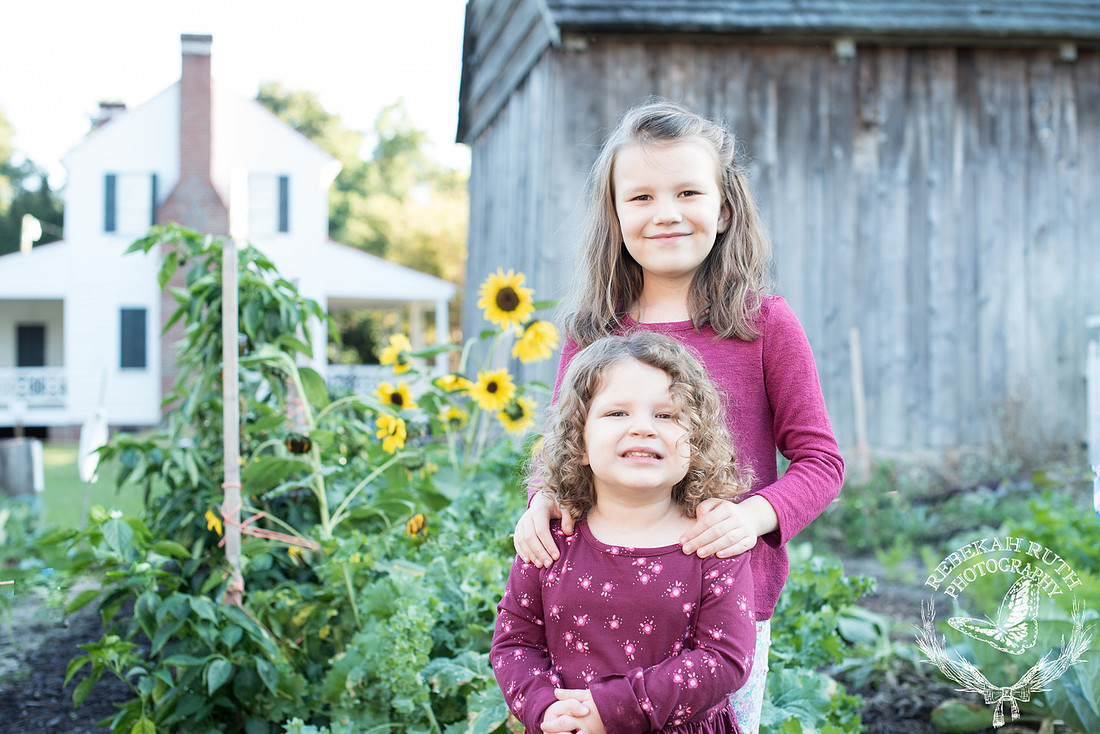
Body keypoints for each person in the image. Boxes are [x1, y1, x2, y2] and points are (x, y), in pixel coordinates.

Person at [512, 99, 845, 733]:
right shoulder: (593, 333)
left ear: (725, 209)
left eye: (688, 192)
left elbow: (820, 462)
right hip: (595, 607)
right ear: (615, 216)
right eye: (640, 197)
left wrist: (750, 517)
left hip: (722, 612)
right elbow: (563, 451)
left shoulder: (764, 326)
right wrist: (542, 503)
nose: (665, 213)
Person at [492, 332, 756, 733]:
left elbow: (724, 660)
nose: (643, 428)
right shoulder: (551, 540)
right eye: (617, 413)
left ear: (696, 444)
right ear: (579, 441)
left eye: (666, 415)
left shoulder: (714, 541)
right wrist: (544, 709)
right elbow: (515, 643)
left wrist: (612, 710)